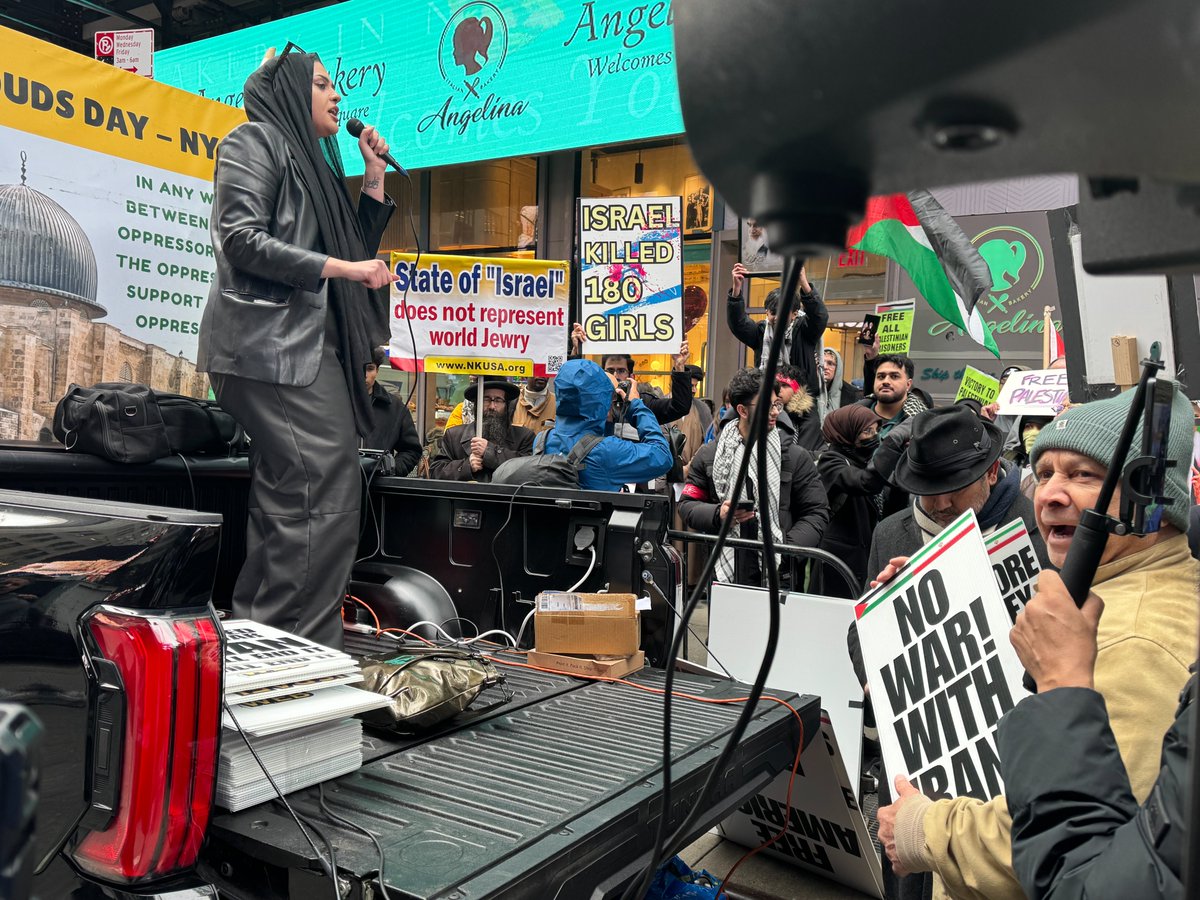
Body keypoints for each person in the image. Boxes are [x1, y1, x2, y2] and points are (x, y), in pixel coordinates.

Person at [876, 383, 1199, 900]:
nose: (1049, 493)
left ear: (1147, 496)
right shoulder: (1098, 586)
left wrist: (925, 829)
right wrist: (924, 593)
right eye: (1044, 472)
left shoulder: (1135, 641)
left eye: (1083, 475)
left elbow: (1080, 846)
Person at [198, 48, 398, 649]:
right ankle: (300, 653)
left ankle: (267, 647)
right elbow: (240, 239)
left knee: (300, 496)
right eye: (321, 84)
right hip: (272, 350)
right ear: (288, 93)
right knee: (321, 491)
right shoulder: (253, 141)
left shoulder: (311, 163)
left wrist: (372, 178)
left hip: (303, 354)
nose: (337, 96)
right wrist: (341, 267)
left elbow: (349, 250)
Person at [997, 569, 1193, 900]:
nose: (1049, 512)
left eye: (1100, 512)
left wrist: (929, 827)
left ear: (1153, 516)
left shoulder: (1133, 642)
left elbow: (1088, 867)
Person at [864, 404, 1050, 587]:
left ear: (991, 473)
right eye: (930, 491)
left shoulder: (1047, 534)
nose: (942, 504)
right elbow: (865, 615)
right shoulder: (886, 535)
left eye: (957, 488)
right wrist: (888, 604)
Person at [679, 368, 829, 586]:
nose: (776, 412)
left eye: (777, 404)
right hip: (724, 572)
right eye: (766, 406)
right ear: (742, 410)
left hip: (779, 574)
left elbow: (817, 512)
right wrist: (717, 513)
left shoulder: (795, 456)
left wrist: (784, 548)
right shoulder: (710, 454)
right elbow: (687, 505)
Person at [539, 359, 673, 492]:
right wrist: (636, 405)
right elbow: (662, 456)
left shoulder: (543, 439)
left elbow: (587, 438)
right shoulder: (607, 451)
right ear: (600, 398)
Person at [815, 404, 905, 596]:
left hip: (867, 561)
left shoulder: (867, 461)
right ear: (847, 432)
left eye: (876, 430)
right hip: (840, 566)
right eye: (867, 431)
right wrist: (892, 445)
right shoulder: (830, 462)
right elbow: (866, 483)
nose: (874, 437)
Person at [727, 262, 829, 395]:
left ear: (795, 313)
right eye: (773, 313)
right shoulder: (761, 332)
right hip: (768, 399)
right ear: (766, 312)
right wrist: (736, 290)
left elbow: (819, 316)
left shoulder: (805, 330)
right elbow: (738, 324)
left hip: (802, 401)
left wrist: (803, 282)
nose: (776, 319)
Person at [429, 379, 535, 482]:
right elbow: (435, 472)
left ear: (506, 405)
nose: (492, 406)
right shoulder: (454, 436)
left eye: (498, 400)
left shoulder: (524, 437)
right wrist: (466, 466)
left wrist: (490, 451)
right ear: (476, 403)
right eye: (486, 399)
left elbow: (529, 473)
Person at [598, 344, 693, 425]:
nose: (615, 375)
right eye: (610, 370)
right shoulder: (593, 400)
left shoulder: (643, 402)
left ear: (632, 376)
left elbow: (679, 407)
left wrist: (679, 366)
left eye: (621, 371)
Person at [361, 347, 421, 475]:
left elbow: (411, 451)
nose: (364, 375)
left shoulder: (396, 408)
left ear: (377, 370)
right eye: (359, 367)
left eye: (370, 368)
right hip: (338, 487)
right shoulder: (335, 403)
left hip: (378, 489)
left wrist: (390, 469)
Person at [856, 353, 926, 440]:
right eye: (881, 376)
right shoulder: (854, 415)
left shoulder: (920, 426)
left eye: (894, 376)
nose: (886, 381)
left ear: (908, 384)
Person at [817, 347, 862, 424]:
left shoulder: (852, 394)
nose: (825, 367)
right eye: (821, 363)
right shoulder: (809, 391)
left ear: (838, 368)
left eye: (830, 363)